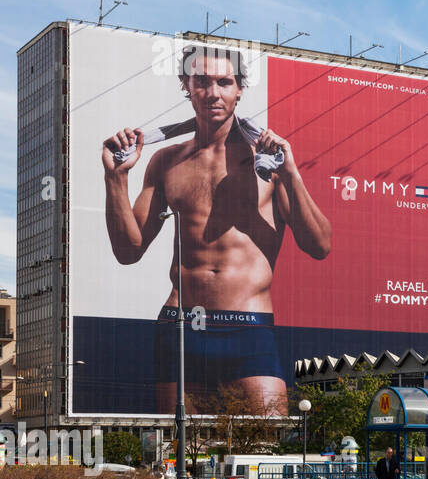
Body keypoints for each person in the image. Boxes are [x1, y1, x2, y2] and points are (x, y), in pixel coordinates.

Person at [102, 45, 332, 416]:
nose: (213, 93)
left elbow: (320, 244)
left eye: (224, 82)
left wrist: (291, 174)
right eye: (202, 82)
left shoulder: (269, 161)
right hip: (179, 327)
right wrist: (116, 178)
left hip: (249, 328)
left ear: (239, 88)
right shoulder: (165, 160)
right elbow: (129, 251)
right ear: (186, 85)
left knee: (264, 448)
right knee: (176, 452)